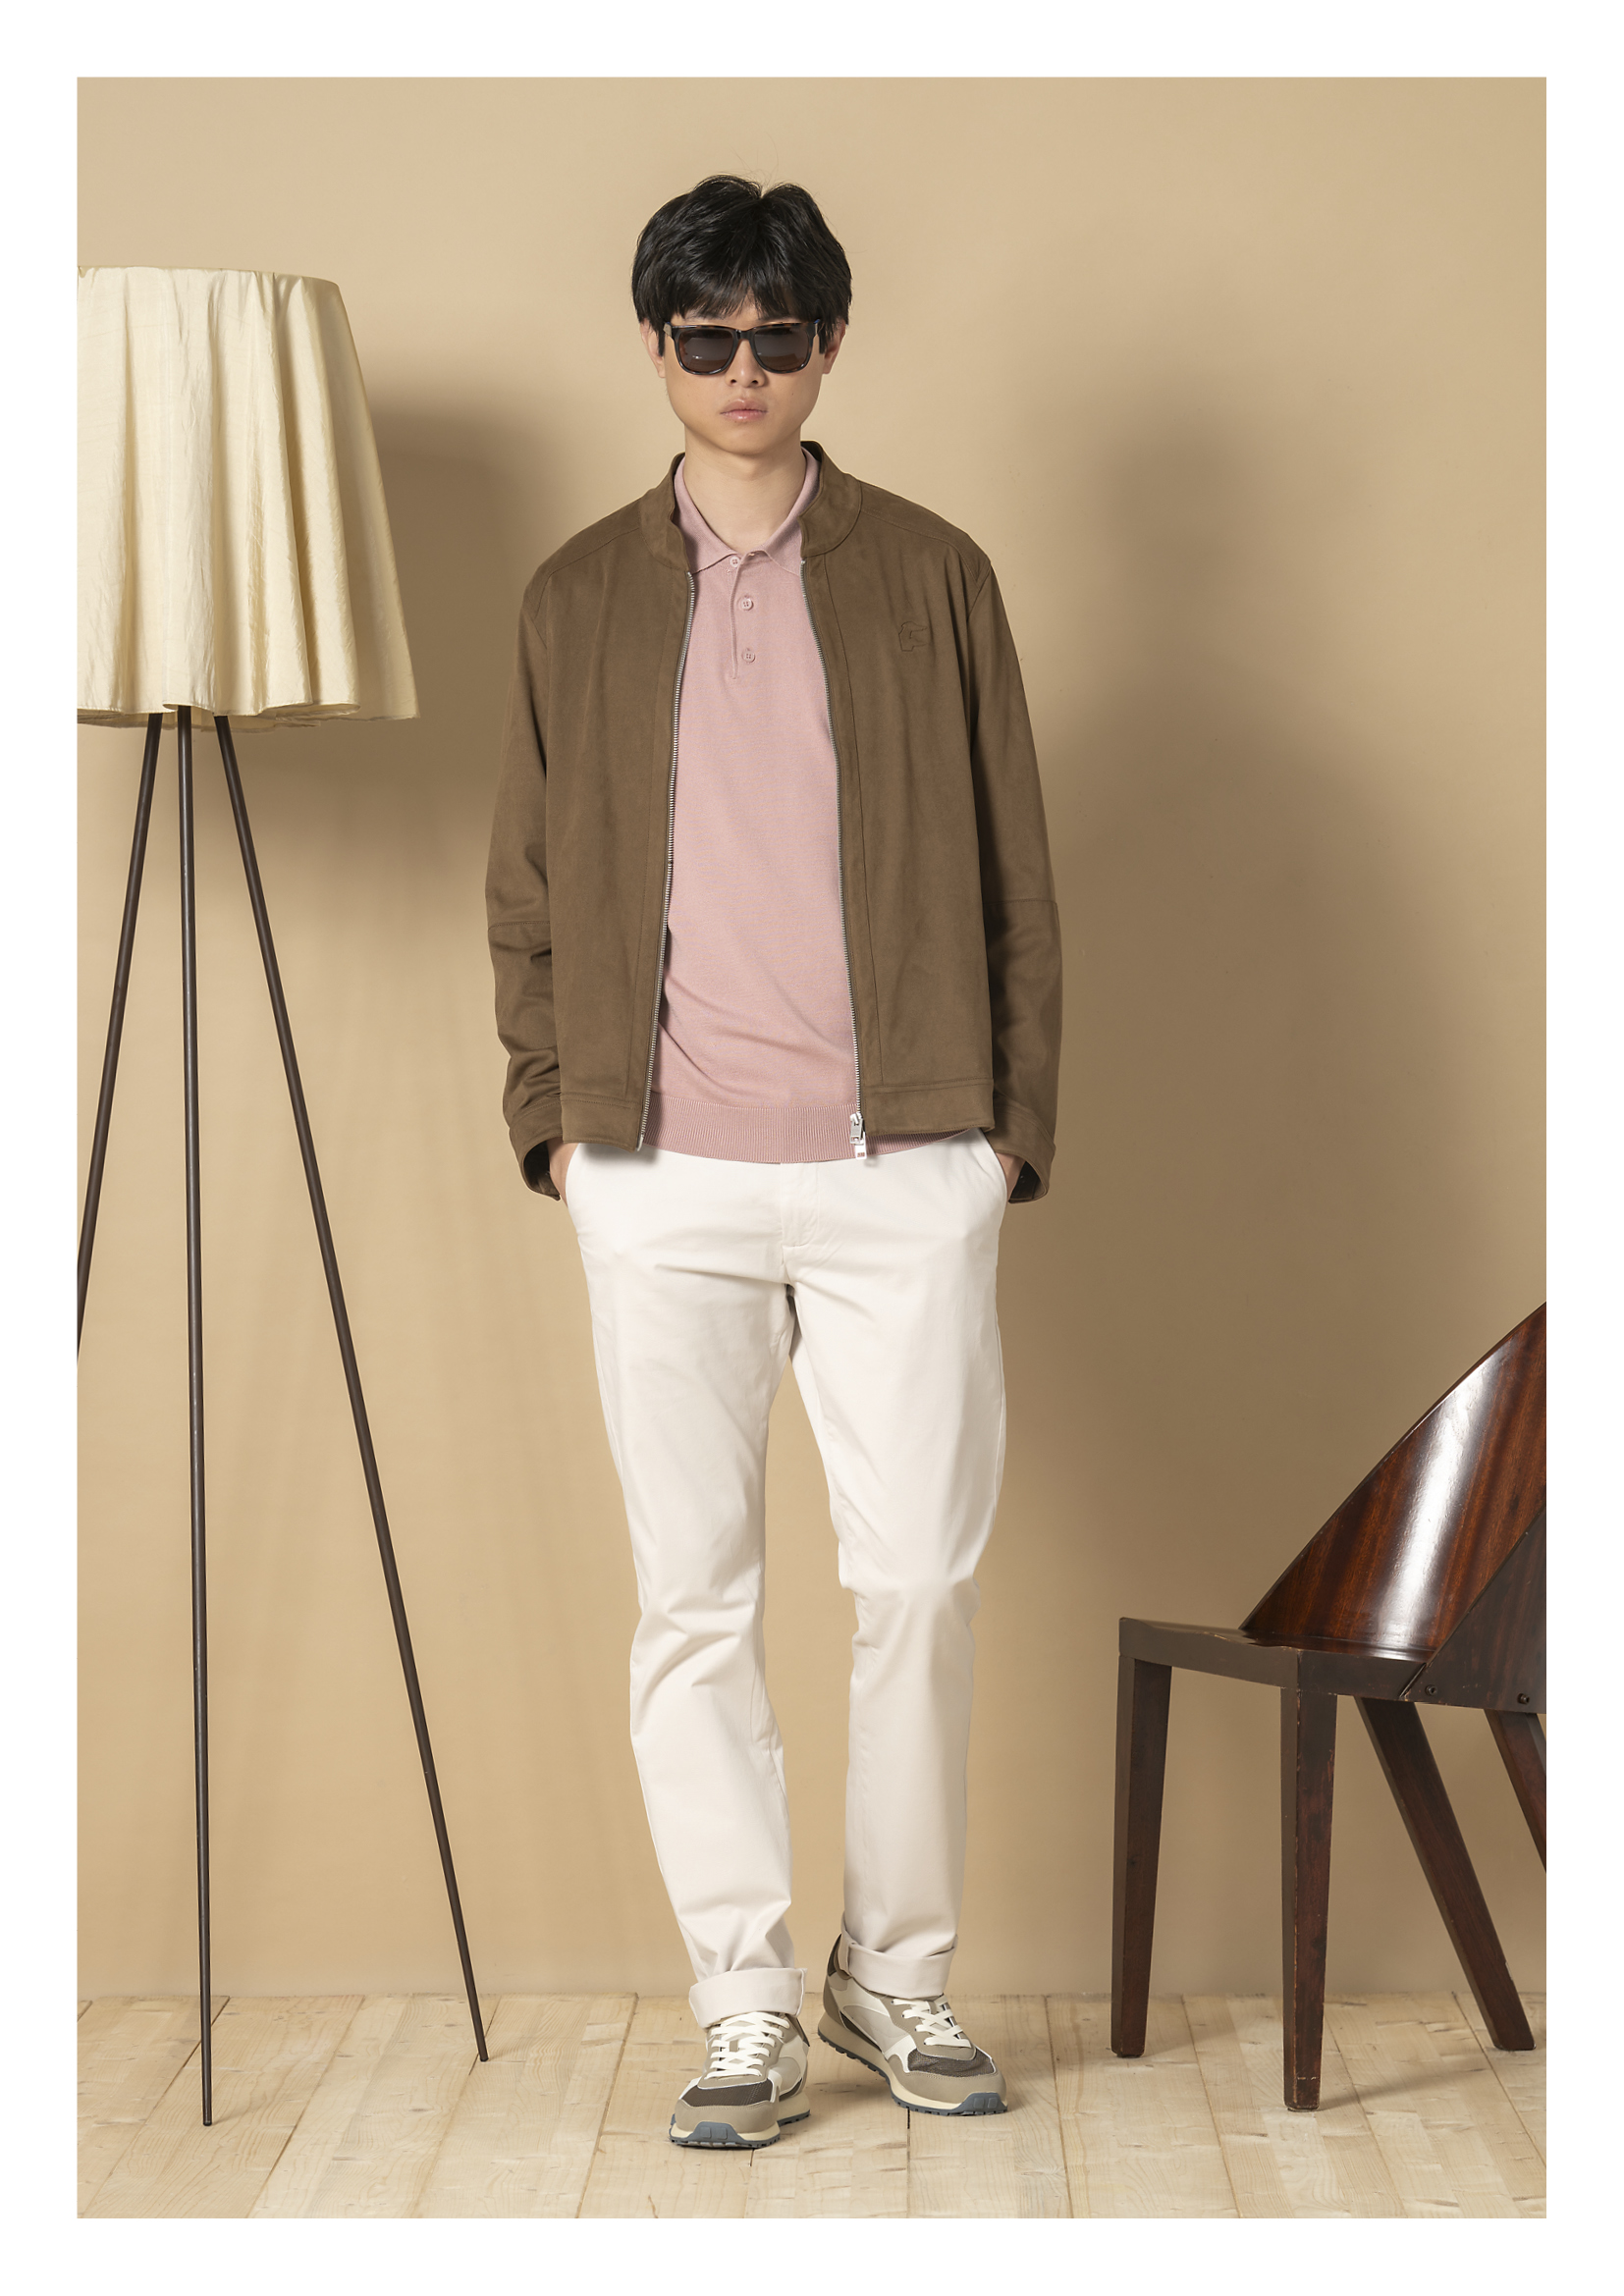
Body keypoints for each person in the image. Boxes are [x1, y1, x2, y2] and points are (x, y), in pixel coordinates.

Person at [485, 175, 1061, 2149]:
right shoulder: (574, 595)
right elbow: (524, 891)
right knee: (694, 1604)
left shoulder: (931, 575)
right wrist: (558, 1131)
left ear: (828, 346)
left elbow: (1016, 880)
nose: (744, 370)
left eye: (780, 335)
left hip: (907, 1157)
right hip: (659, 1169)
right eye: (707, 338)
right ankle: (741, 2000)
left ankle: (892, 1977)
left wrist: (999, 1142)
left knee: (918, 1586)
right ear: (656, 348)